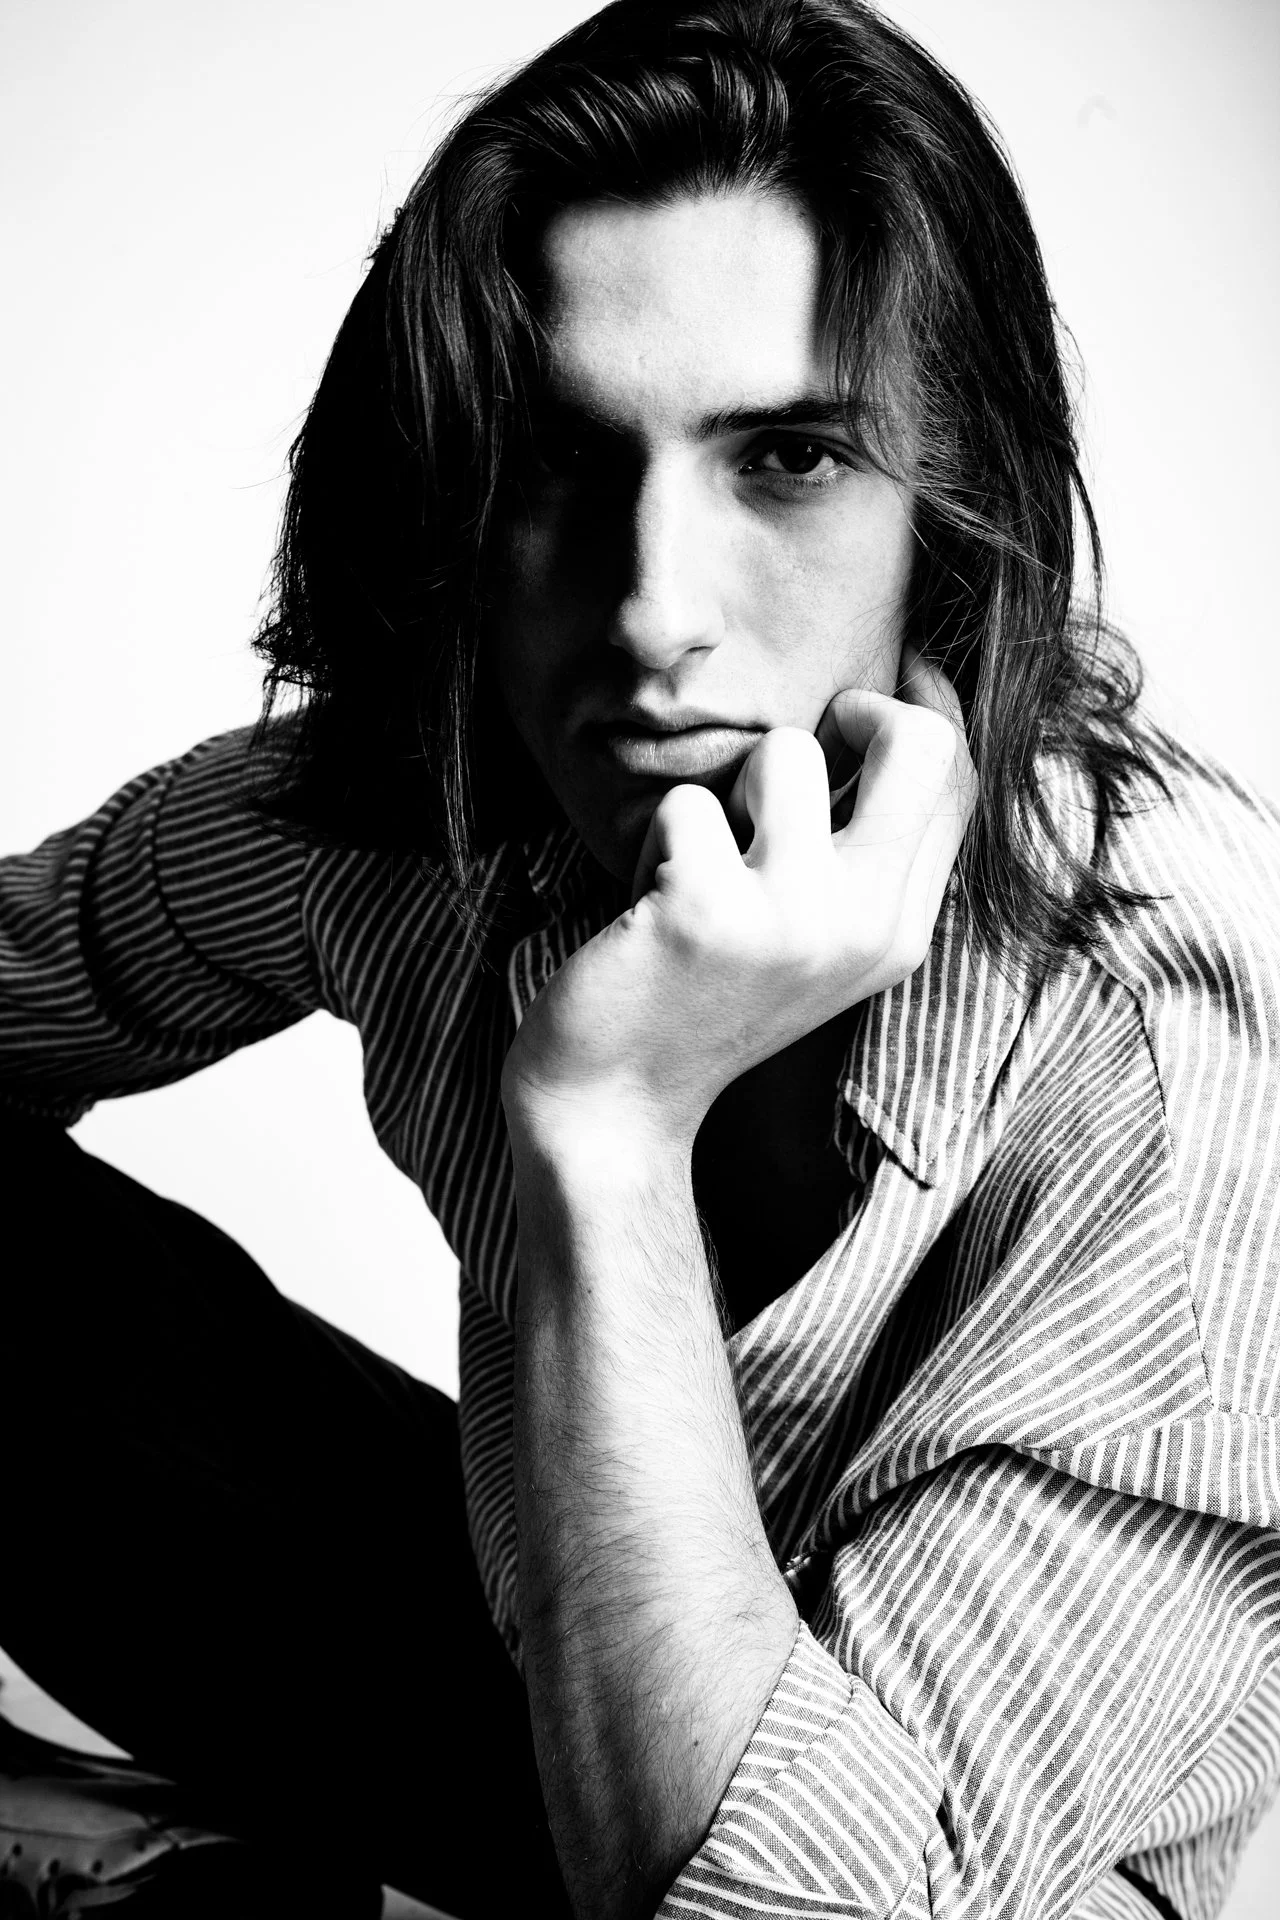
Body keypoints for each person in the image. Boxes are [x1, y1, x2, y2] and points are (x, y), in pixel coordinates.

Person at [2, 2, 1278, 1917]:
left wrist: (608, 1120)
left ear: (954, 515)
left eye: (785, 458)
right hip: (528, 1699)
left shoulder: (1164, 1090)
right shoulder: (432, 814)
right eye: (557, 465)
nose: (653, 614)